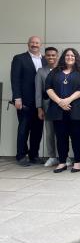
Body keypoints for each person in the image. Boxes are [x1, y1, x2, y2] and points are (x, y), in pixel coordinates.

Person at [45, 48, 80, 173]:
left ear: (76, 57)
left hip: (77, 110)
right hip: (57, 109)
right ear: (63, 57)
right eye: (67, 55)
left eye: (72, 55)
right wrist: (60, 101)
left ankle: (77, 162)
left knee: (76, 136)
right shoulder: (55, 71)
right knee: (61, 137)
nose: (70, 57)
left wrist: (68, 100)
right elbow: (48, 87)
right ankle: (62, 162)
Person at [10, 36, 47, 166]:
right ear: (28, 44)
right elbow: (15, 79)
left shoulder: (45, 60)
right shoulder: (19, 58)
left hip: (40, 103)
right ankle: (21, 156)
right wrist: (17, 98)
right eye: (32, 42)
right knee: (24, 129)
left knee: (37, 130)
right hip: (24, 101)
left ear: (40, 44)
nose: (34, 44)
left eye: (37, 43)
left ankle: (34, 155)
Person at [35, 47, 72, 167]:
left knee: (63, 132)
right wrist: (39, 107)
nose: (51, 57)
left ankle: (65, 156)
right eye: (48, 55)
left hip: (65, 106)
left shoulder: (64, 69)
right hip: (48, 107)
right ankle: (52, 156)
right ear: (45, 57)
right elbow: (38, 91)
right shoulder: (41, 71)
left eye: (53, 55)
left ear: (57, 56)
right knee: (50, 132)